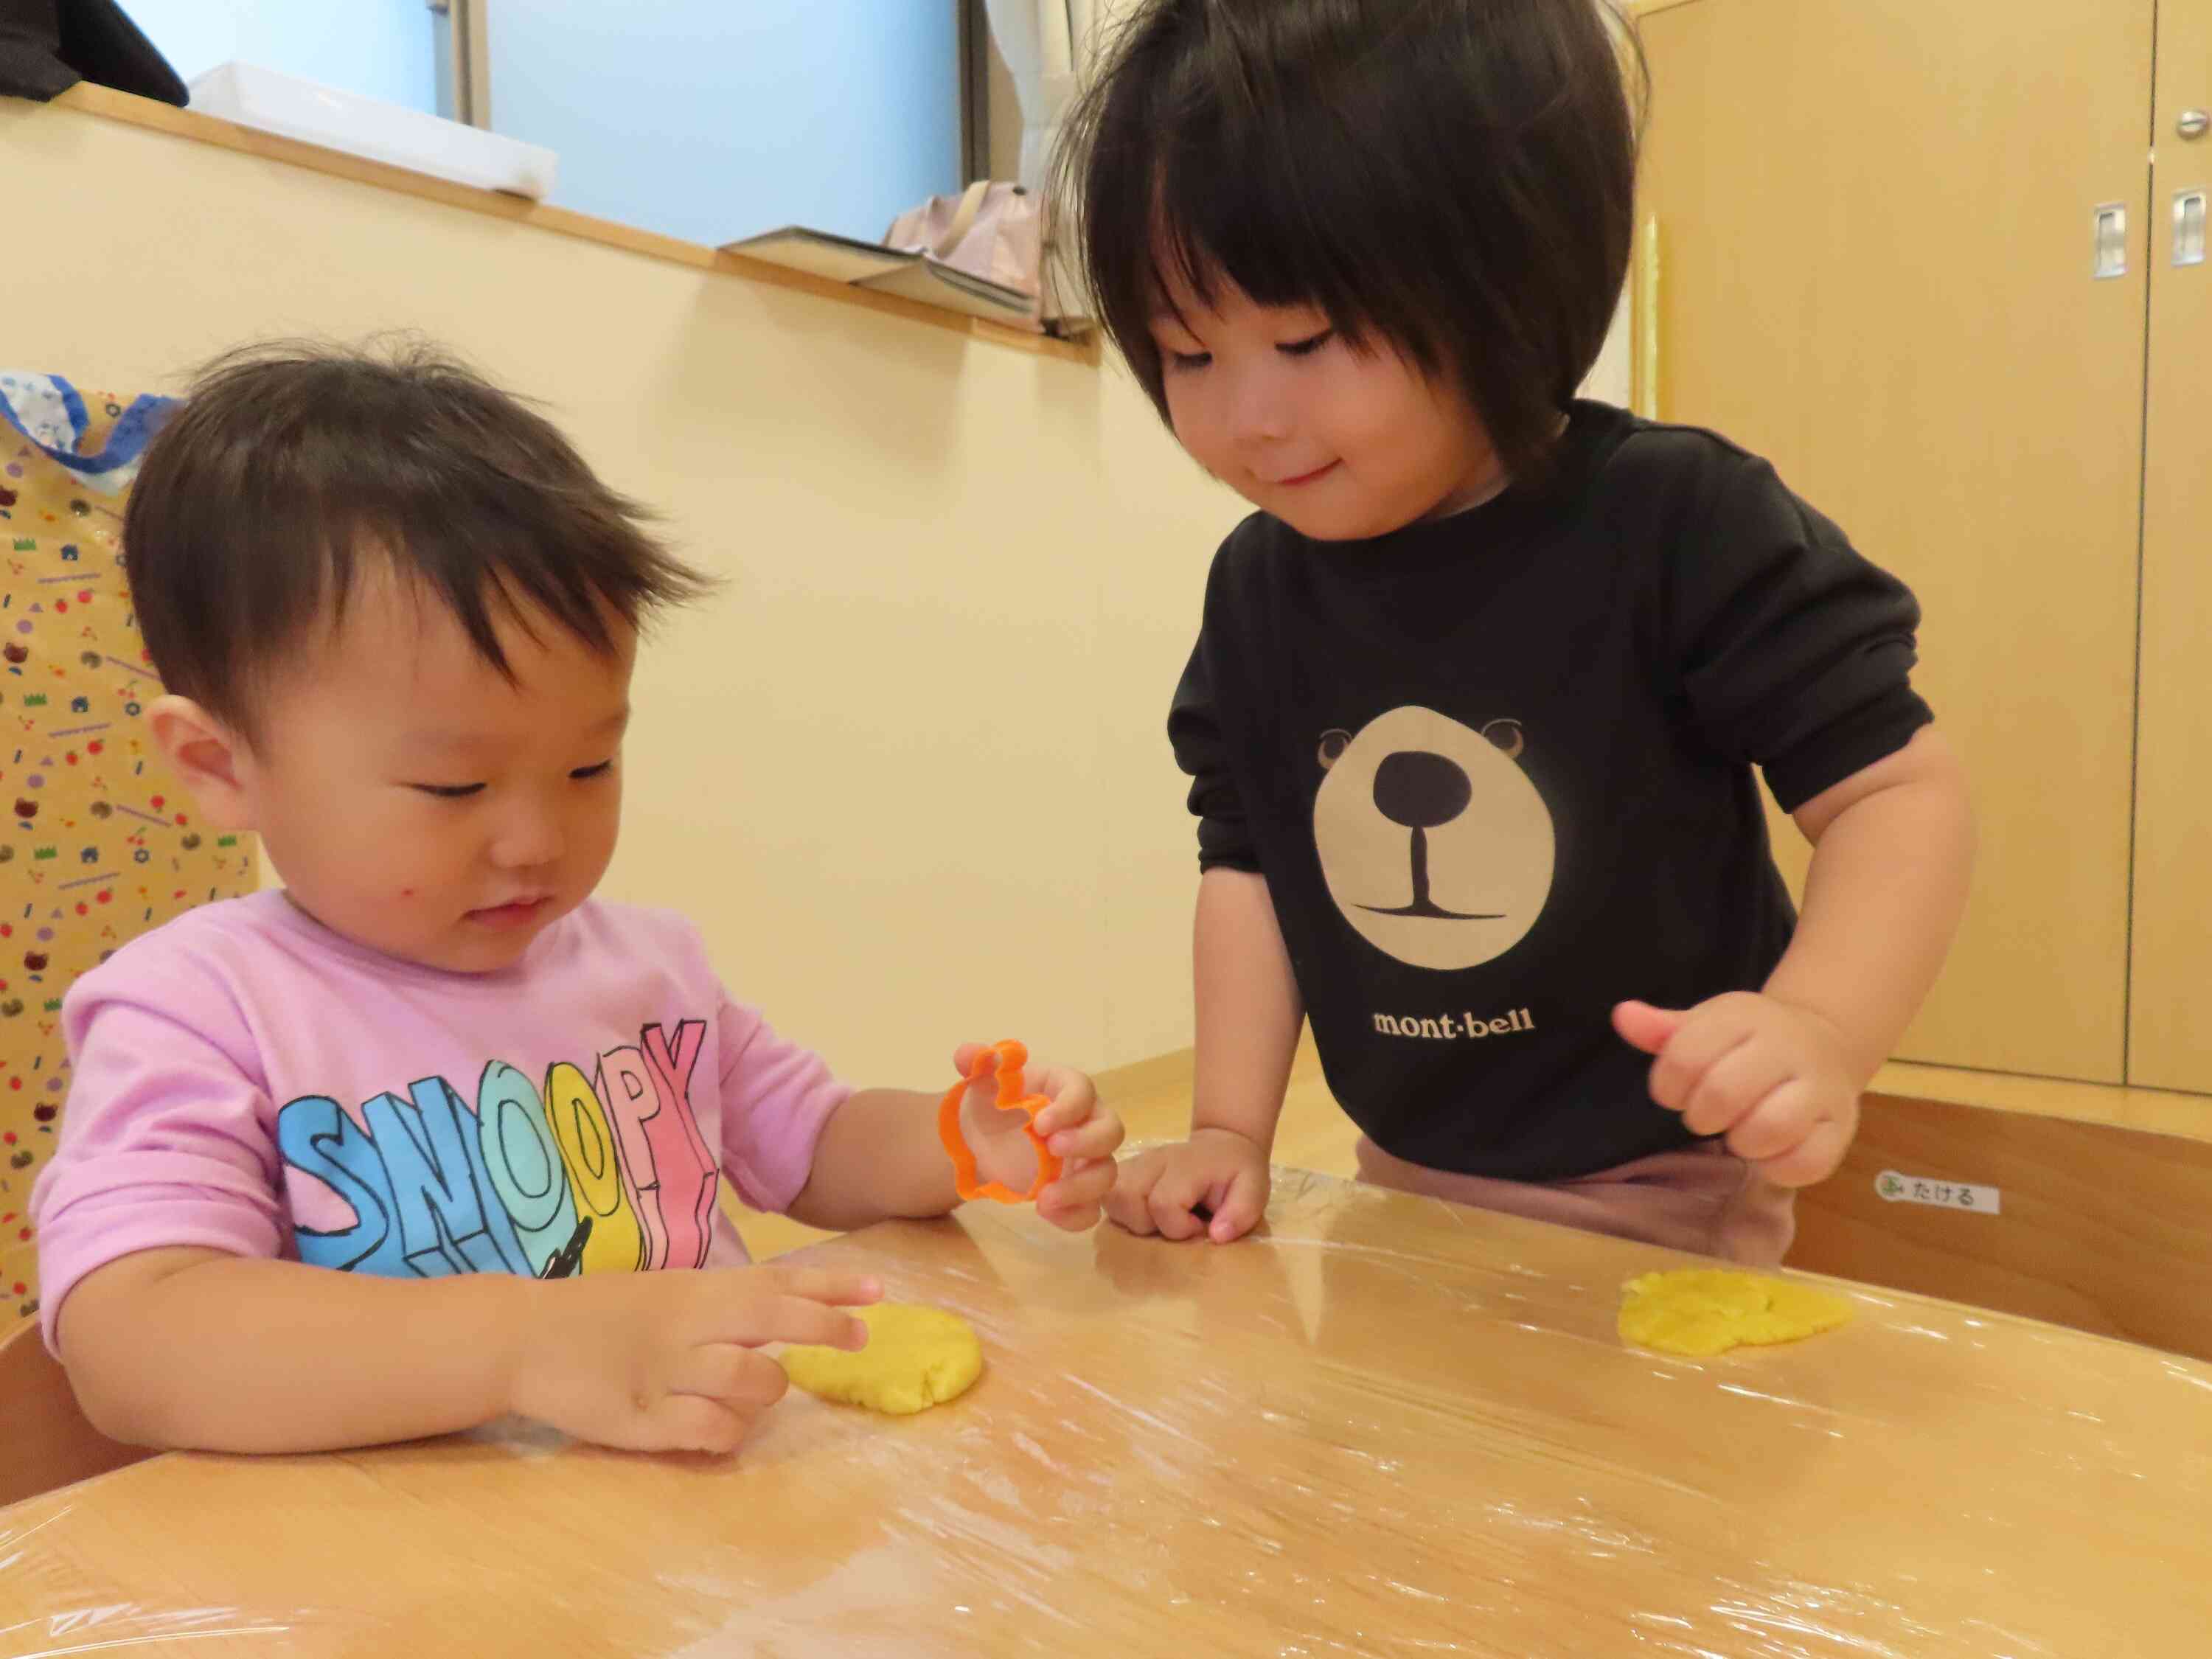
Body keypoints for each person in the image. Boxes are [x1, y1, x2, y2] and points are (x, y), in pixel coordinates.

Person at [29, 342, 1122, 1455]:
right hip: (401, 1547)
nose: (537, 841)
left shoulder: (647, 972)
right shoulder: (200, 1007)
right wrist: (526, 1344)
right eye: (455, 787)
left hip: (690, 1518)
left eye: (589, 766)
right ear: (219, 766)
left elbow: (817, 1143)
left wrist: (957, 1139)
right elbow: (135, 1335)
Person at [1055, 0, 1972, 1264]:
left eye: (1305, 338)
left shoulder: (1673, 522)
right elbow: (1250, 862)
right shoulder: (1258, 587)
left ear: (1508, 276)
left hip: (1663, 1176)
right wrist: (1228, 1125)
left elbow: (1897, 793)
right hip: (1400, 1166)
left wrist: (1818, 1026)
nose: (1248, 418)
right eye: (1187, 355)